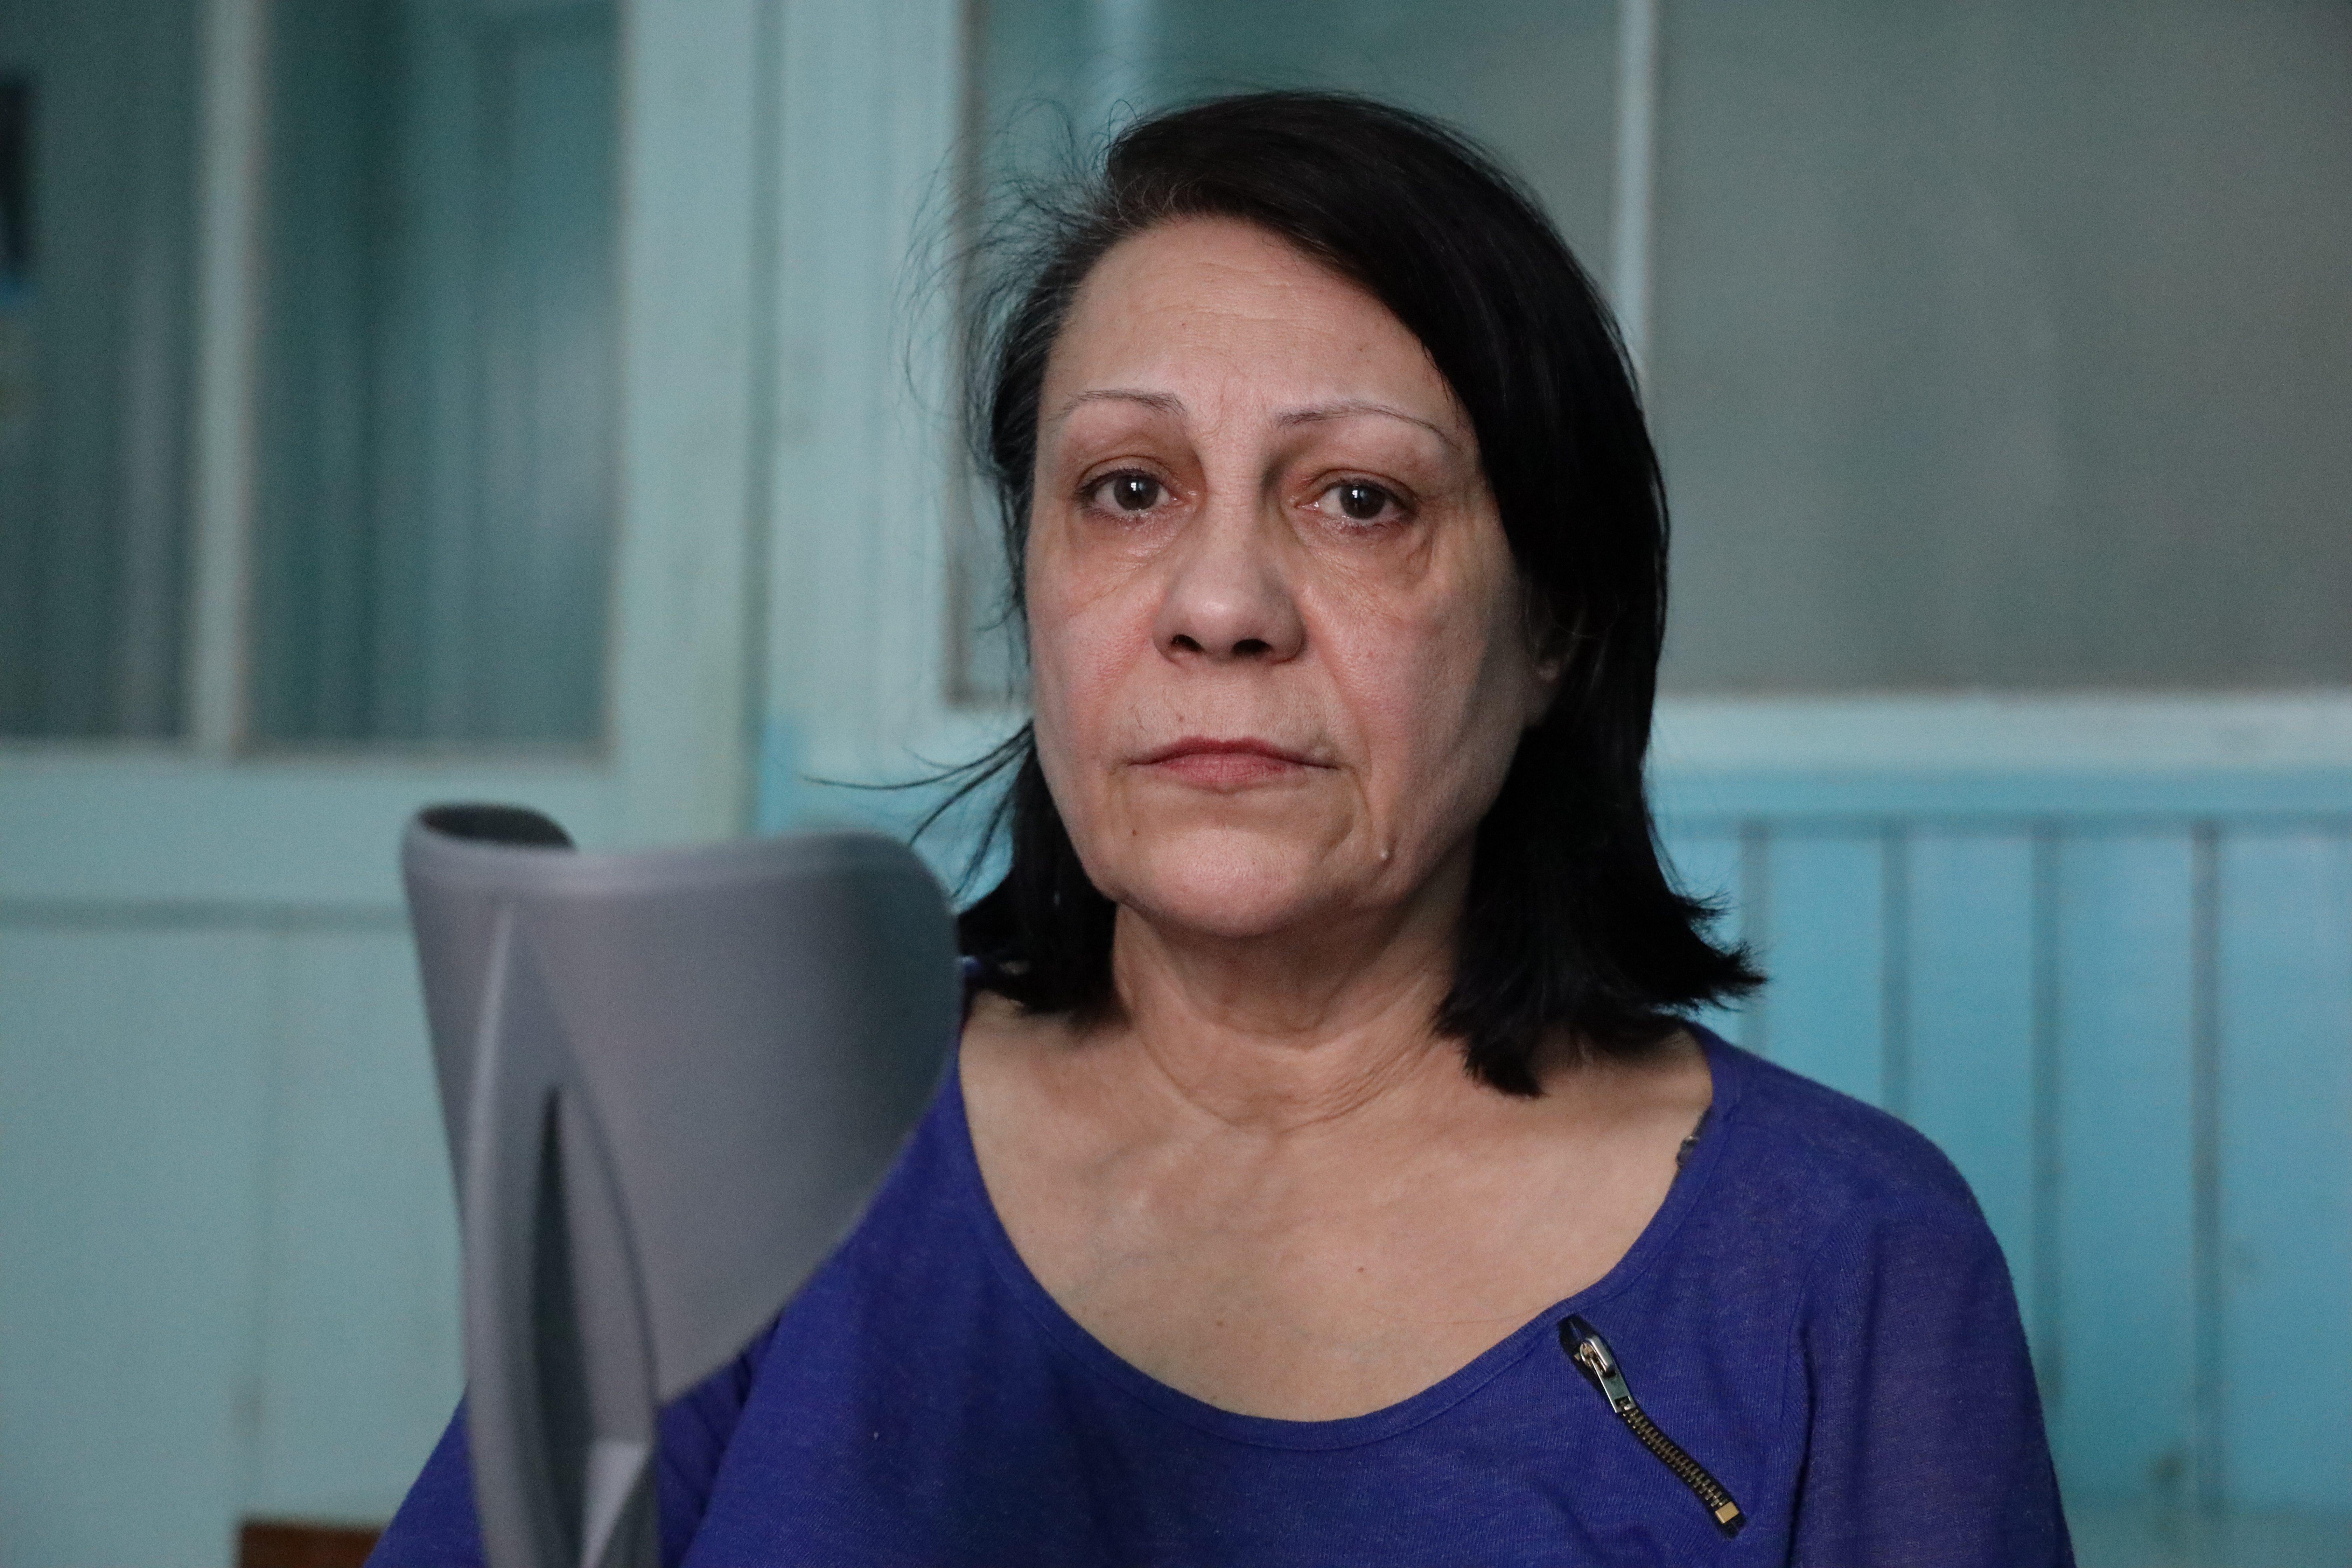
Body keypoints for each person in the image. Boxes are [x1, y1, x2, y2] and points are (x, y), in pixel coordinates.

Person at [373, 91, 2072, 1566]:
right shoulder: (760, 1152)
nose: (1222, 604)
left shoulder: (1845, 1262)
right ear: (1031, 586)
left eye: (1360, 500)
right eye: (1129, 489)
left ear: (1556, 623)